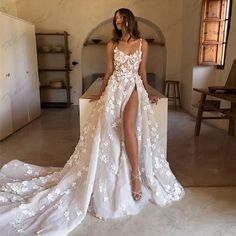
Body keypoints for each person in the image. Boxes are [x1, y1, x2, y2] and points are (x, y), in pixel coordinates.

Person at [0, 8, 185, 236]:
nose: (117, 22)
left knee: (127, 126)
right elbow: (108, 71)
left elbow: (143, 72)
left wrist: (148, 92)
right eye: (115, 19)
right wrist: (100, 93)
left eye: (120, 18)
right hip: (116, 87)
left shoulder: (143, 44)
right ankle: (121, 173)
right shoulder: (111, 44)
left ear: (129, 19)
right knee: (110, 131)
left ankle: (136, 177)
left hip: (134, 87)